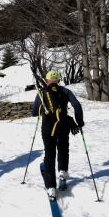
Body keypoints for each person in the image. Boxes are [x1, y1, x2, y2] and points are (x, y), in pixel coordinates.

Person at [31, 70, 84, 199]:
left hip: (48, 126)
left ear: (47, 80)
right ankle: (62, 172)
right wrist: (79, 121)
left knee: (50, 154)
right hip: (63, 124)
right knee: (63, 147)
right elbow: (76, 104)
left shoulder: (42, 93)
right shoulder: (65, 91)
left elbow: (34, 112)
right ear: (58, 81)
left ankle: (51, 188)